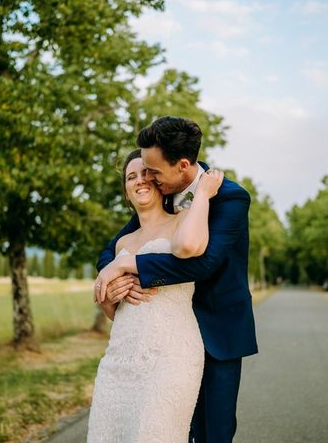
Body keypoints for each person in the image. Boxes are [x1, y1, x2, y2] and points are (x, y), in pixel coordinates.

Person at [94, 116, 258, 443]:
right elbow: (117, 245)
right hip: (161, 335)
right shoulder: (164, 188)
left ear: (182, 165)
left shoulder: (230, 198)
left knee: (213, 432)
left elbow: (205, 264)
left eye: (153, 170)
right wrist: (109, 271)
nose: (148, 178)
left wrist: (130, 267)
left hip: (216, 332)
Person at [87, 149, 224, 442]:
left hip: (170, 355)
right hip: (119, 359)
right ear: (125, 190)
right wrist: (110, 300)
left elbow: (192, 251)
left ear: (160, 181)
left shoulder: (183, 221)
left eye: (146, 173)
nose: (139, 181)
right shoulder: (121, 243)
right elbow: (115, 311)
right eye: (131, 176)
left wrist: (201, 194)